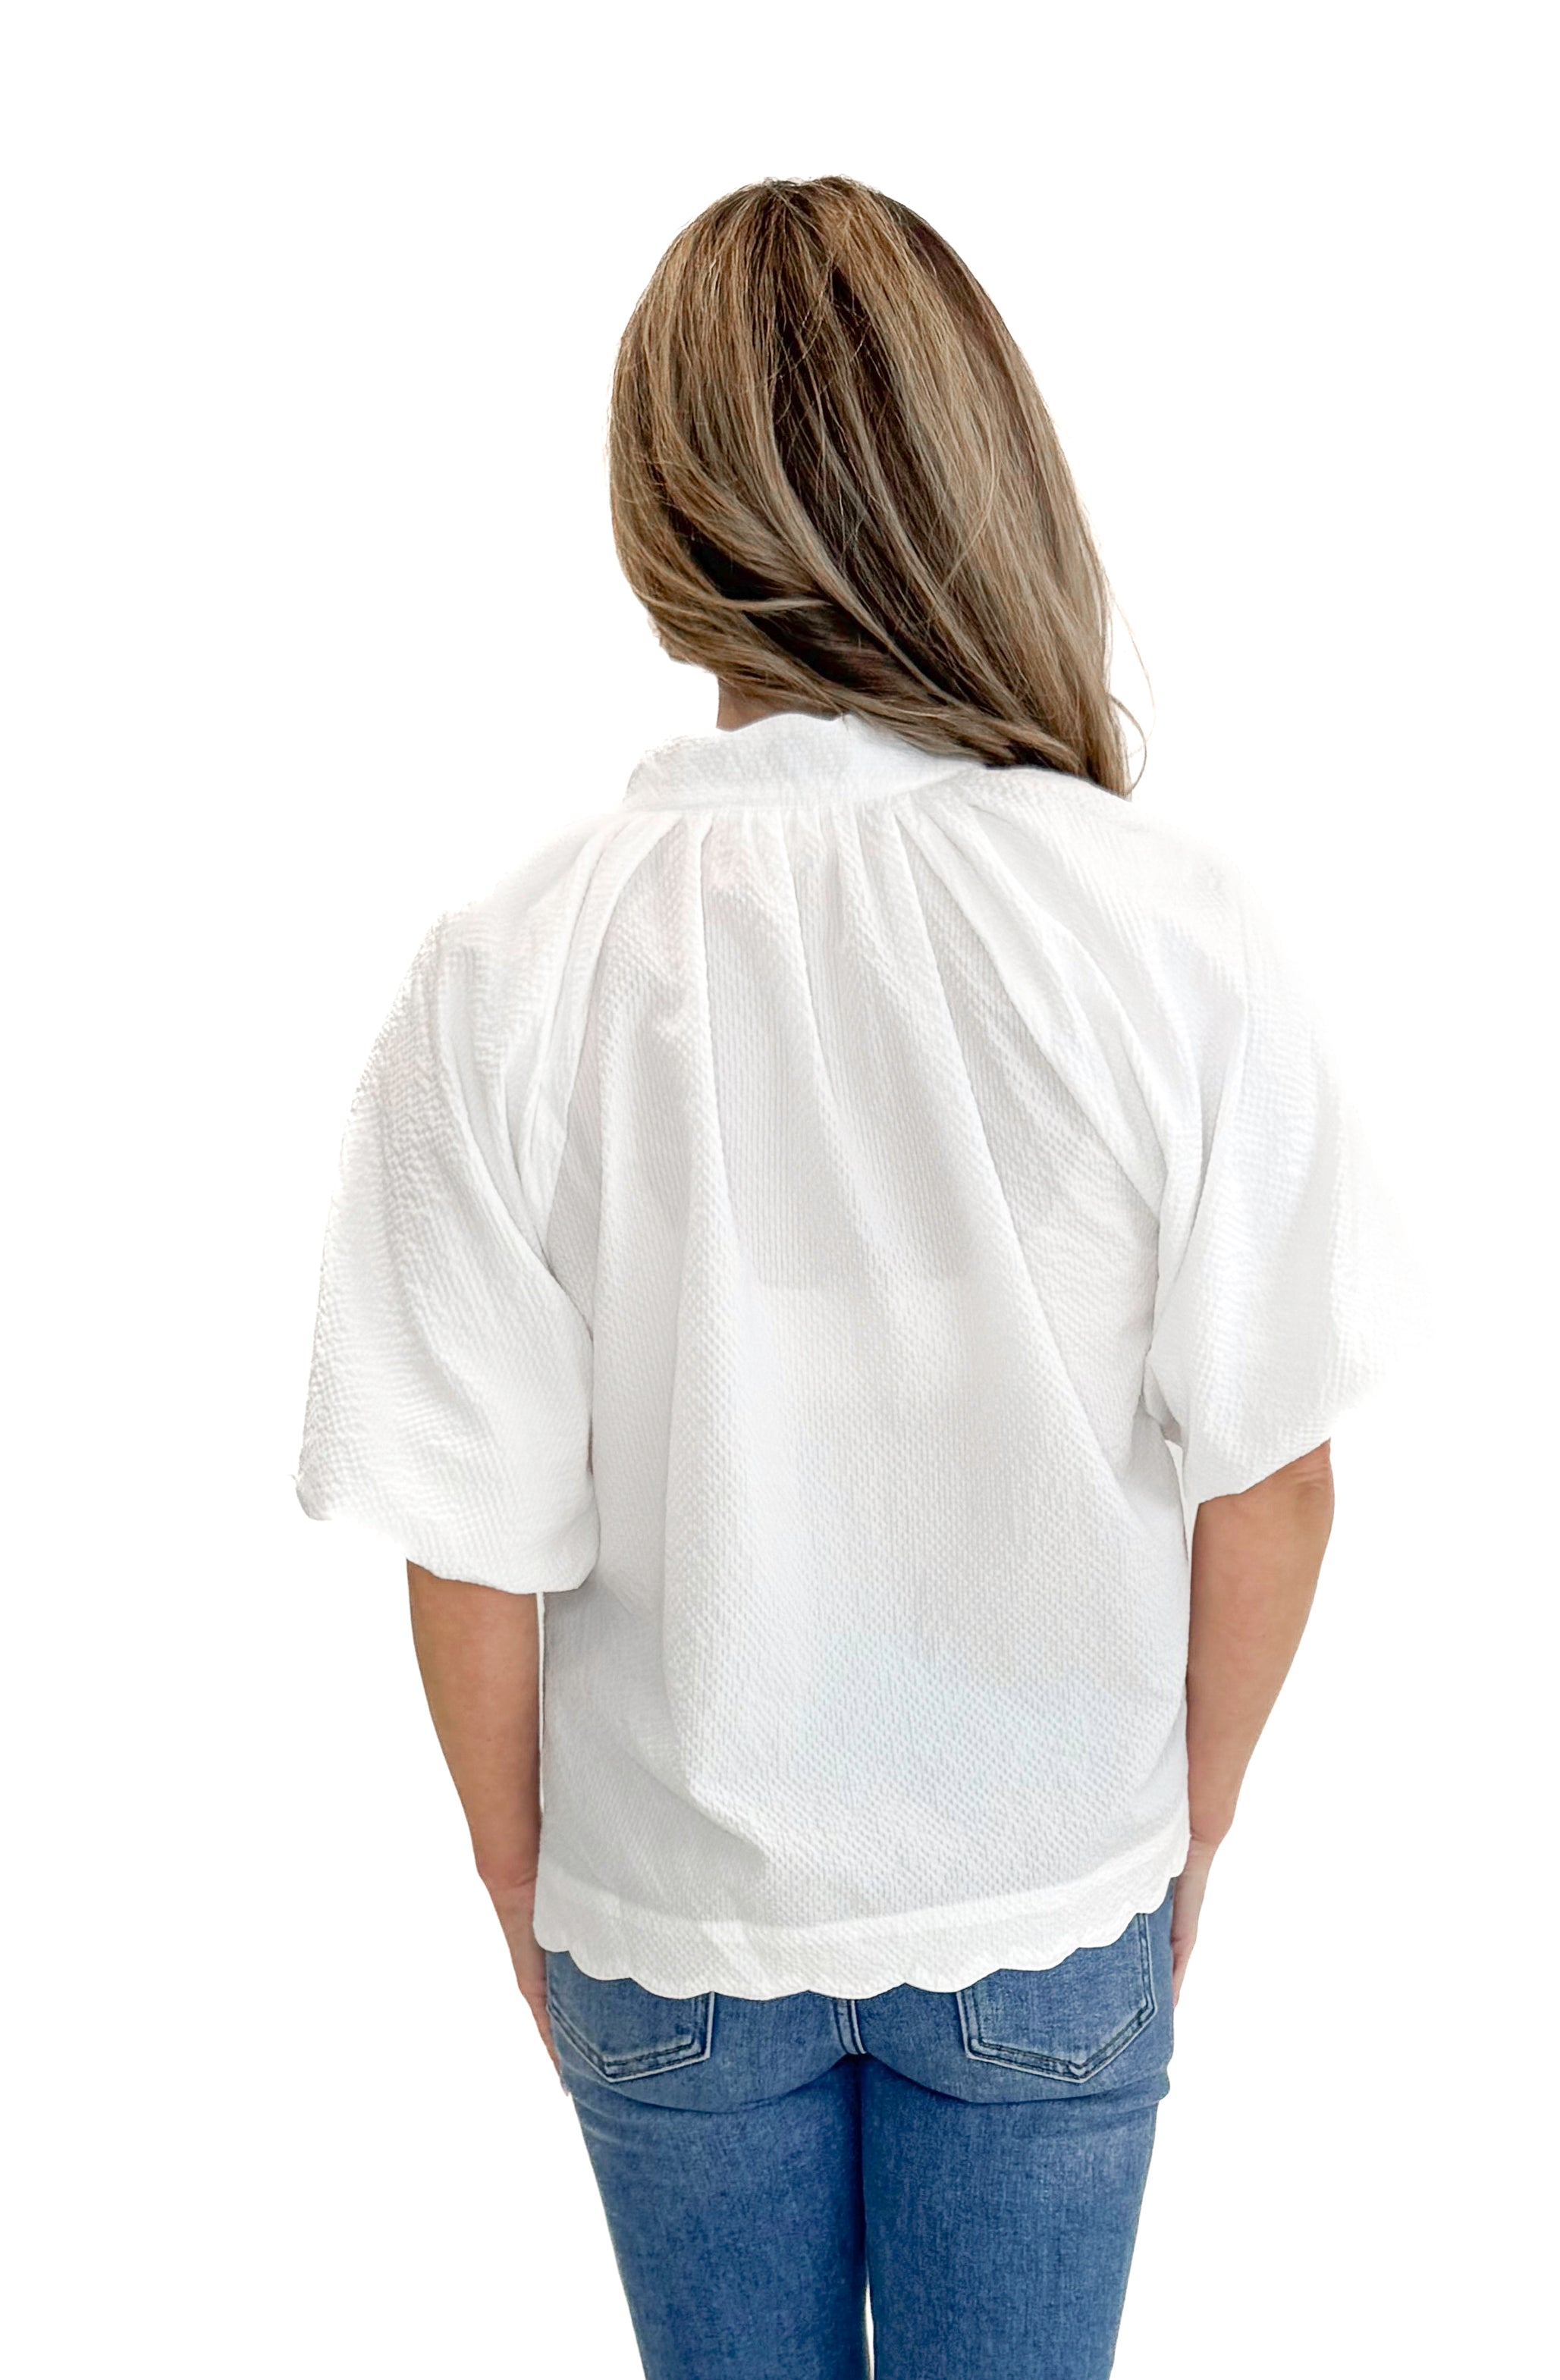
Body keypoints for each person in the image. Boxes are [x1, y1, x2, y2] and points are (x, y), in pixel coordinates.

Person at [294, 177, 1408, 2379]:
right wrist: (1186, 1828)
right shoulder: (1161, 929)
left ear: (659, 508)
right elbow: (1275, 1473)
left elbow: (469, 1547)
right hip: (1049, 1900)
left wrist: (531, 1899)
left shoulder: (507, 973)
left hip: (670, 1930)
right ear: (975, 461)